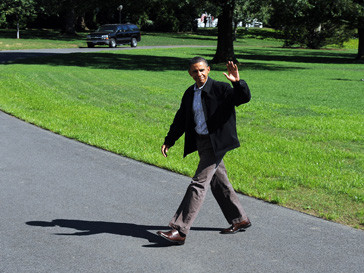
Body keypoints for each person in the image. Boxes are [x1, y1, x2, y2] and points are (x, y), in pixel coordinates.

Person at [157, 56, 251, 245]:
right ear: (189, 73)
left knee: (198, 183)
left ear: (208, 70)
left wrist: (238, 83)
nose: (199, 74)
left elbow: (243, 98)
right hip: (201, 142)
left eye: (202, 70)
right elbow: (181, 119)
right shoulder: (189, 93)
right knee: (219, 181)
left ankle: (179, 229)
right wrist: (169, 140)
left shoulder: (221, 89)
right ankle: (239, 219)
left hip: (217, 143)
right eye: (194, 71)